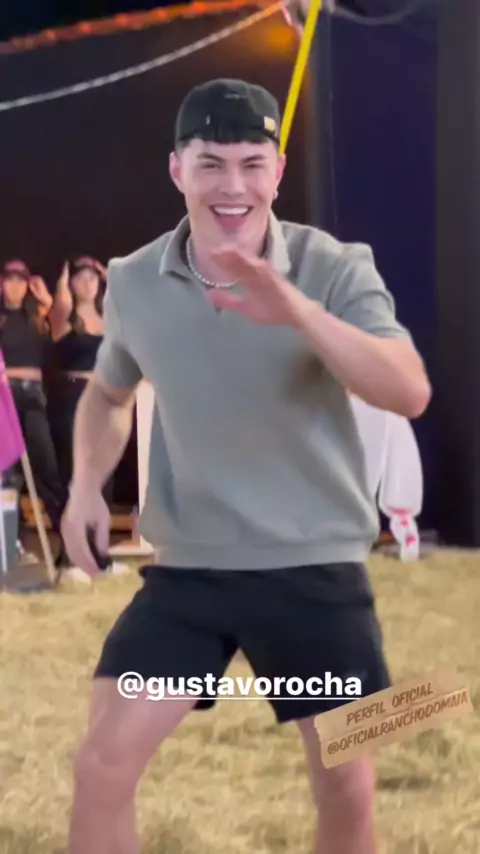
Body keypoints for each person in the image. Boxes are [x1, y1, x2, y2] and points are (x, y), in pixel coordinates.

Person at [61, 79, 431, 854]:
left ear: (277, 170)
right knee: (100, 767)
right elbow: (108, 394)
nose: (233, 185)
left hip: (314, 570)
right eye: (211, 163)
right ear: (177, 169)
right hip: (190, 574)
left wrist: (296, 310)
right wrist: (84, 489)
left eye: (252, 163)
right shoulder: (133, 279)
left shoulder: (335, 266)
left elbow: (408, 390)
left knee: (347, 785)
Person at [49, 257, 128, 578]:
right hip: (73, 398)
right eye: (80, 278)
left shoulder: (109, 318)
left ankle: (100, 556)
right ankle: (71, 558)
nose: (87, 283)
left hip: (104, 401)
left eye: (92, 278)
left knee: (103, 477)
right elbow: (58, 311)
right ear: (70, 284)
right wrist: (61, 289)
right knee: (76, 475)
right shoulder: (65, 317)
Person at [0, 259, 67, 563]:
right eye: (9, 279)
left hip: (33, 396)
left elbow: (63, 335)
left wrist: (48, 301)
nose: (14, 285)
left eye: (20, 279)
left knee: (47, 468)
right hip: (4, 396)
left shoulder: (38, 316)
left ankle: (70, 543)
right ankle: (12, 543)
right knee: (7, 472)